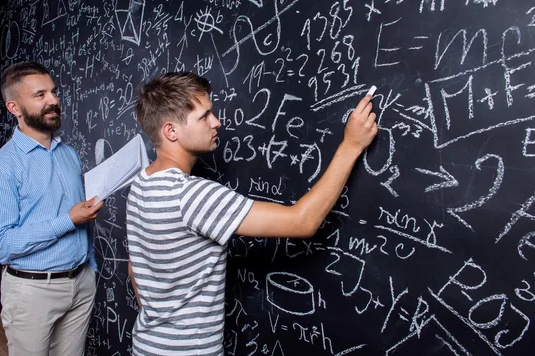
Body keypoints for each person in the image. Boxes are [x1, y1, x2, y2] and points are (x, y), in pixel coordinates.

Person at [126, 72, 377, 355]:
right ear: (171, 131)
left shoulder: (141, 183)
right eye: (204, 116)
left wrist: (163, 318)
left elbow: (134, 268)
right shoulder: (191, 196)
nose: (216, 122)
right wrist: (351, 145)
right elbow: (303, 221)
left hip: (147, 345)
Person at [0, 61, 104, 356]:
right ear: (14, 108)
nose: (53, 101)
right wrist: (68, 220)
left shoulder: (68, 154)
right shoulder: (2, 169)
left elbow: (80, 218)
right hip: (32, 292)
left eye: (54, 92)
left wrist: (89, 269)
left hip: (81, 282)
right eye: (40, 95)